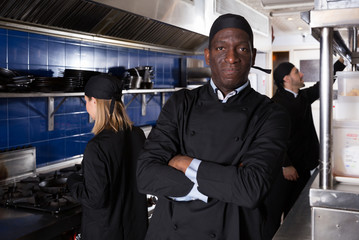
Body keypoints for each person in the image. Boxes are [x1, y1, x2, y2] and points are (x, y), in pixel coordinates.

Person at [136, 13, 291, 240]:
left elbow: (251, 189)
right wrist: (222, 182)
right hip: (169, 232)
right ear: (207, 56)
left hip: (233, 231)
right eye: (220, 48)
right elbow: (145, 174)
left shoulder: (271, 114)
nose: (231, 58)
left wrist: (183, 162)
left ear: (253, 56)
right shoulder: (181, 103)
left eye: (242, 49)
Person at [263, 58, 346, 239]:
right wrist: (285, 164)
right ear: (286, 79)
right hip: (282, 172)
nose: (301, 74)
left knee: (296, 216)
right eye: (296, 72)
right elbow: (271, 139)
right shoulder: (275, 105)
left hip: (302, 168)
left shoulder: (301, 97)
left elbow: (322, 85)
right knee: (273, 218)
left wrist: (340, 62)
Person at [67, 74, 148, 240]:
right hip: (136, 230)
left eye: (86, 101)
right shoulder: (137, 135)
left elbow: (94, 199)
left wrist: (72, 182)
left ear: (95, 101)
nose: (86, 106)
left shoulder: (96, 147)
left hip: (107, 233)